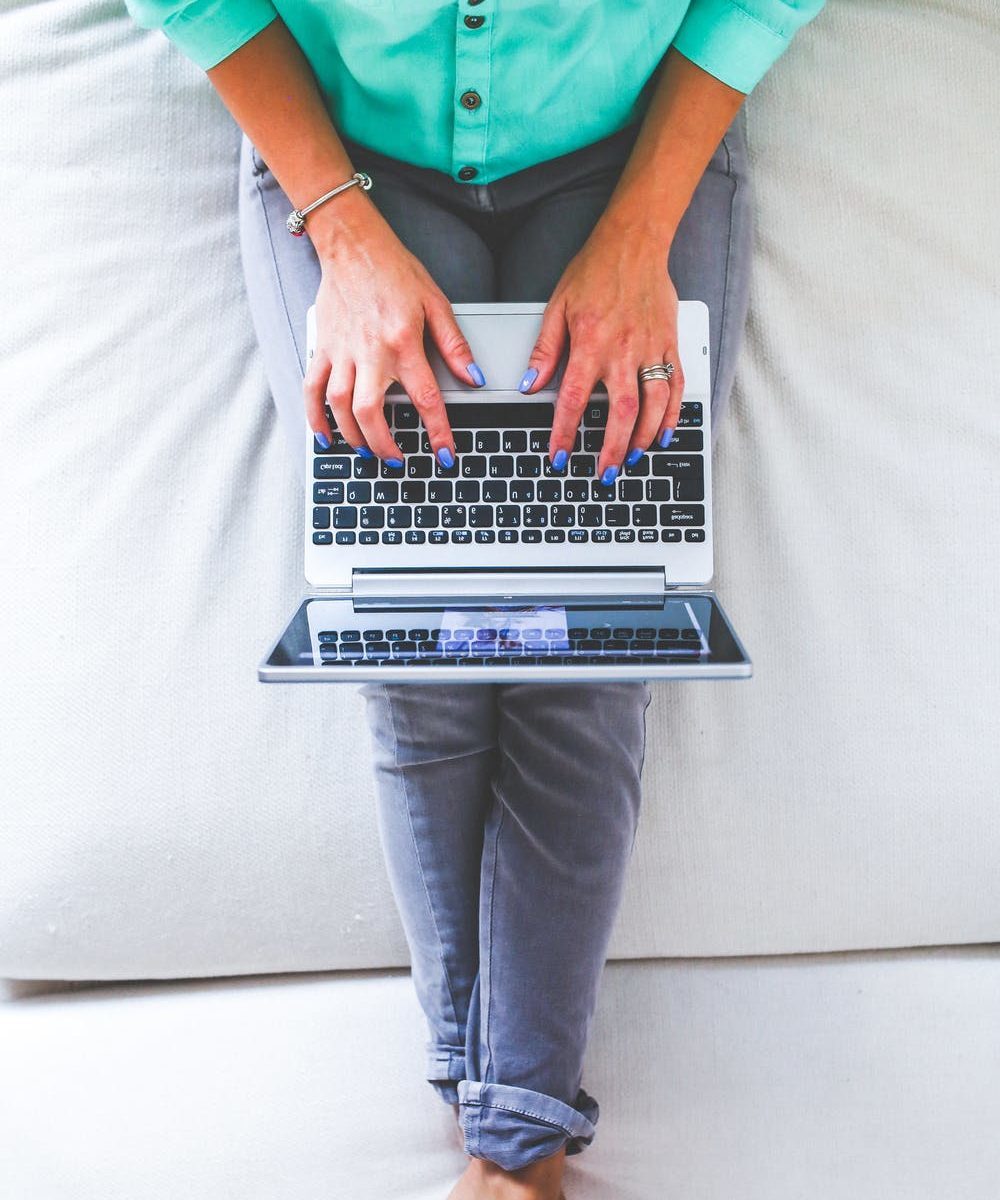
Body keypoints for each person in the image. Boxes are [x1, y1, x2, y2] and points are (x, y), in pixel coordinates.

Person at [123, 3, 826, 1196]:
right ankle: (514, 1137)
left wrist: (641, 229)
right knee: (417, 623)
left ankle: (508, 1146)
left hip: (631, 146)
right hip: (348, 159)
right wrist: (340, 235)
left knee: (592, 633)